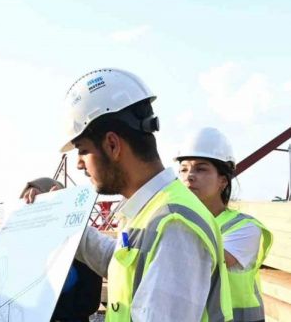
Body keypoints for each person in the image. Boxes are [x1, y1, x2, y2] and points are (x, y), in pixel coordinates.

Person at [29, 68, 232, 322]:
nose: (79, 164)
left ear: (112, 145)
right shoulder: (151, 209)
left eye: (82, 150)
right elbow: (119, 265)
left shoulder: (174, 225)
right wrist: (65, 219)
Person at [176, 127, 272, 322]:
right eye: (184, 169)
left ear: (223, 181)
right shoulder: (179, 222)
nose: (189, 176)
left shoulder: (245, 228)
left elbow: (199, 262)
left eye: (201, 169)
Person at [20, 178, 103, 322]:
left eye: (41, 203)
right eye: (28, 204)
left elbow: (89, 302)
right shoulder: (21, 252)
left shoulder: (79, 245)